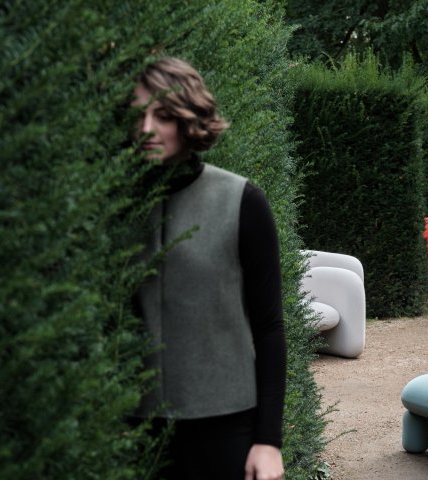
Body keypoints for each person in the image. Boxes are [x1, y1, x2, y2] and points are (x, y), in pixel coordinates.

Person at [131, 57, 286, 480]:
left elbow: (269, 326)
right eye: (138, 116)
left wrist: (269, 441)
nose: (146, 129)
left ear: (189, 118)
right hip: (136, 431)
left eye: (163, 116)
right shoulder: (118, 208)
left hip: (227, 429)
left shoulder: (241, 201)